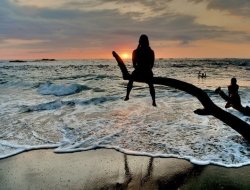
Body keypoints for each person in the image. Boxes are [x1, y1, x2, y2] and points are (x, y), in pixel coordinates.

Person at [124, 34, 156, 106]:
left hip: (138, 71)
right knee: (151, 85)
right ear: (147, 42)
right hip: (148, 72)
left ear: (139, 42)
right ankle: (153, 101)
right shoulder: (151, 51)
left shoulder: (135, 52)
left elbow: (134, 65)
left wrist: (139, 69)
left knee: (131, 80)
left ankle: (127, 95)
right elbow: (152, 65)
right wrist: (146, 69)